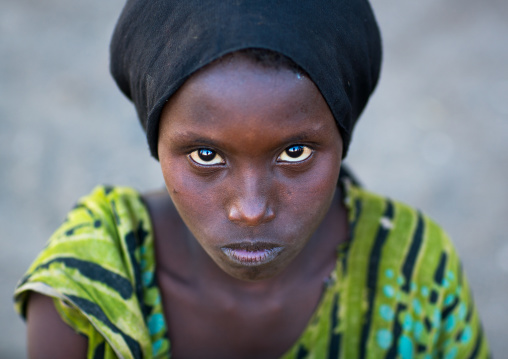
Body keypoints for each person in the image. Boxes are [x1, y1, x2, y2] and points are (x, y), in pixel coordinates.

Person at [14, 0, 490, 358]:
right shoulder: (84, 293)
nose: (251, 207)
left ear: (343, 137)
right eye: (205, 155)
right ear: (155, 142)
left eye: (295, 152)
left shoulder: (415, 273)